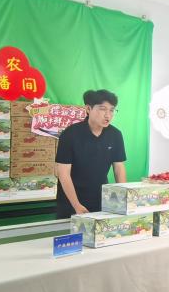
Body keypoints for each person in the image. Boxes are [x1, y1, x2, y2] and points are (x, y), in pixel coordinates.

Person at [54, 89, 126, 218]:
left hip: (101, 198)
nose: (108, 115)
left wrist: (123, 198)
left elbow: (118, 168)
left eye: (111, 110)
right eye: (103, 109)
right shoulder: (70, 134)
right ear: (88, 109)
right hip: (71, 201)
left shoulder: (115, 135)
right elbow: (63, 173)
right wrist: (76, 205)